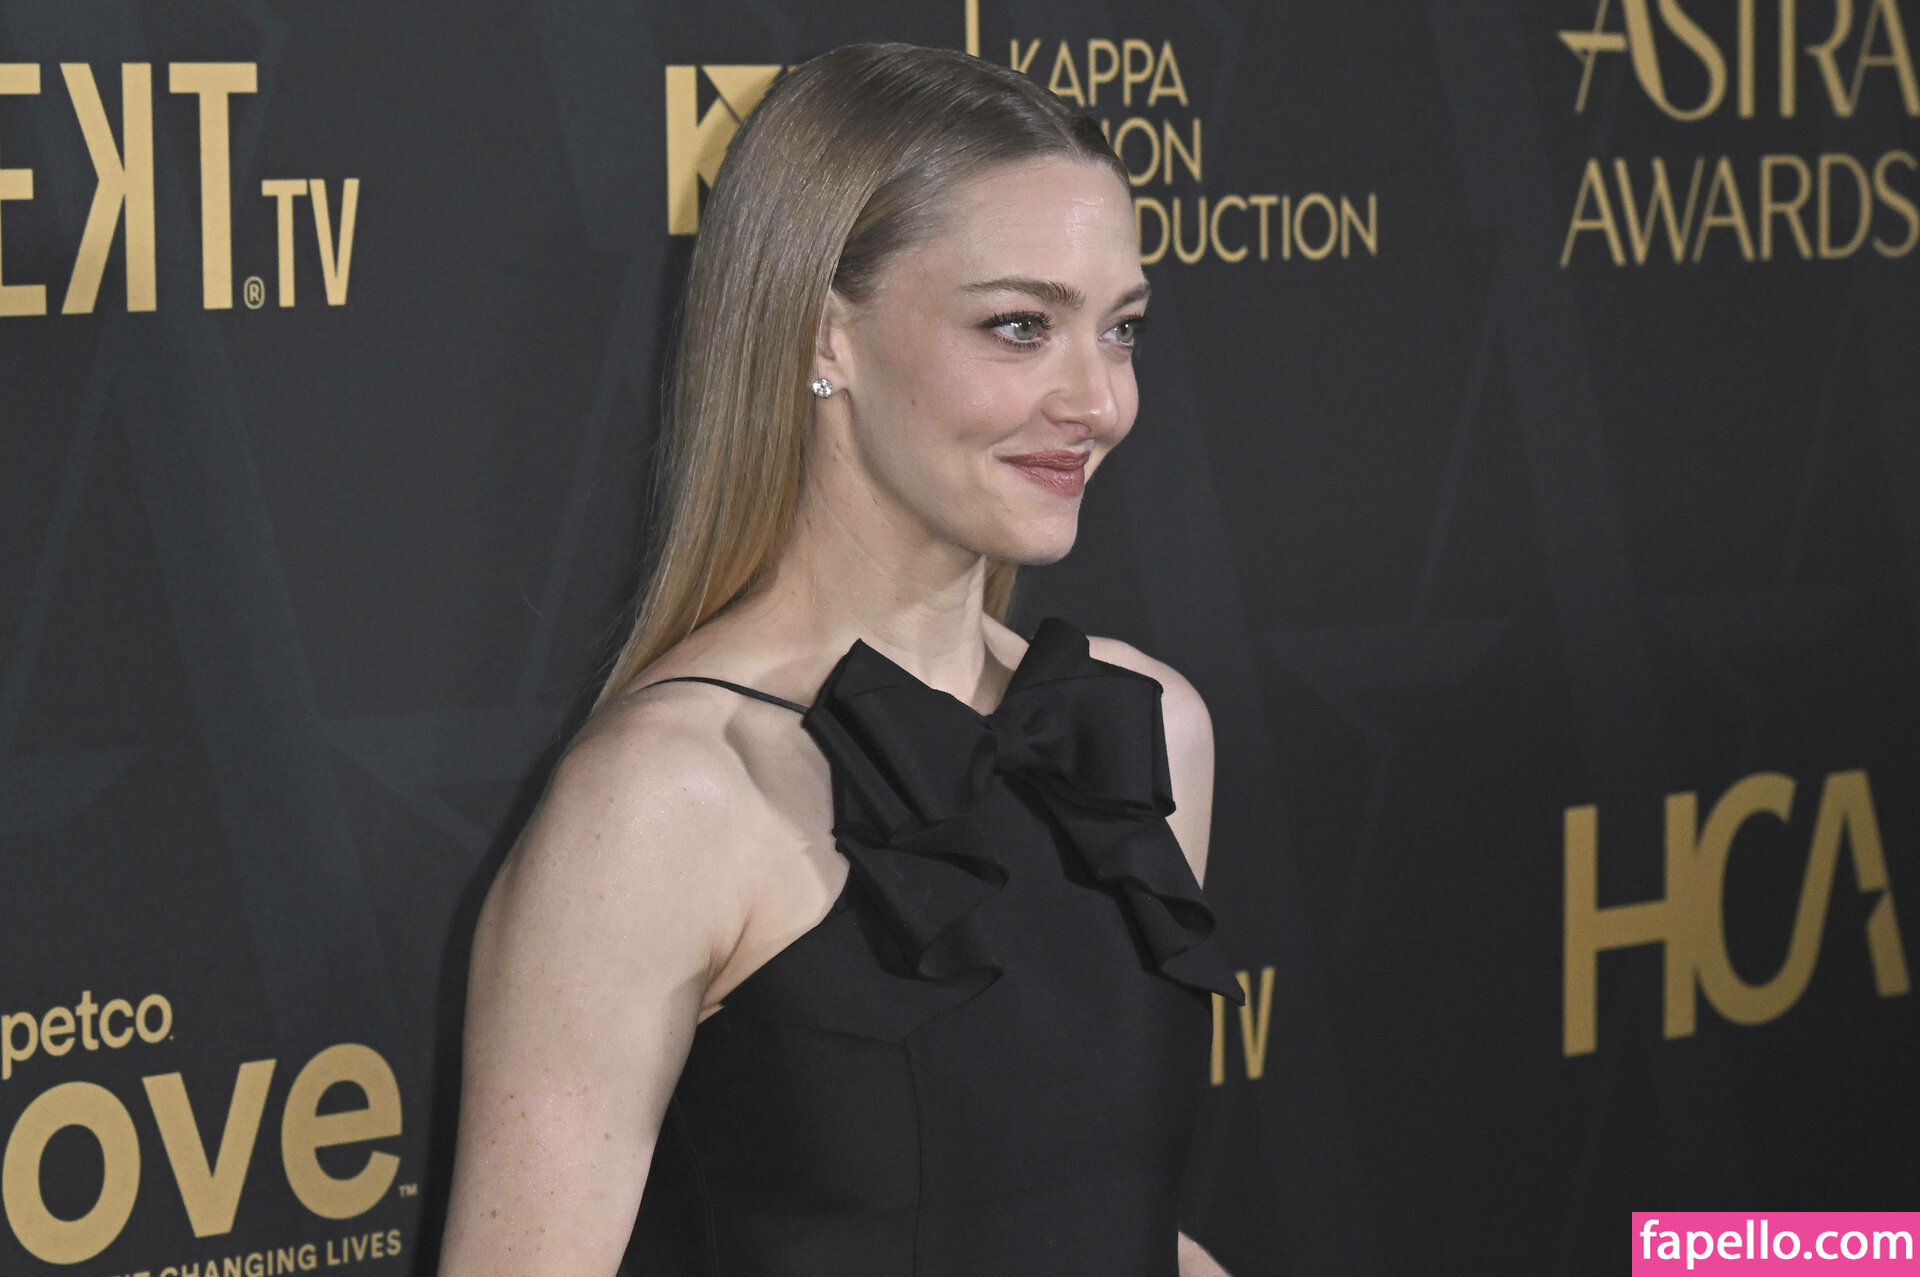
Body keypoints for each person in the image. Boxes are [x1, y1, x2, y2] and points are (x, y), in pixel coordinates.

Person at [435, 41, 1244, 1277]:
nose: (1099, 402)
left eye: (1121, 329)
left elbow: (1102, 1224)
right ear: (828, 336)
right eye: (1021, 326)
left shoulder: (1138, 733)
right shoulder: (669, 798)